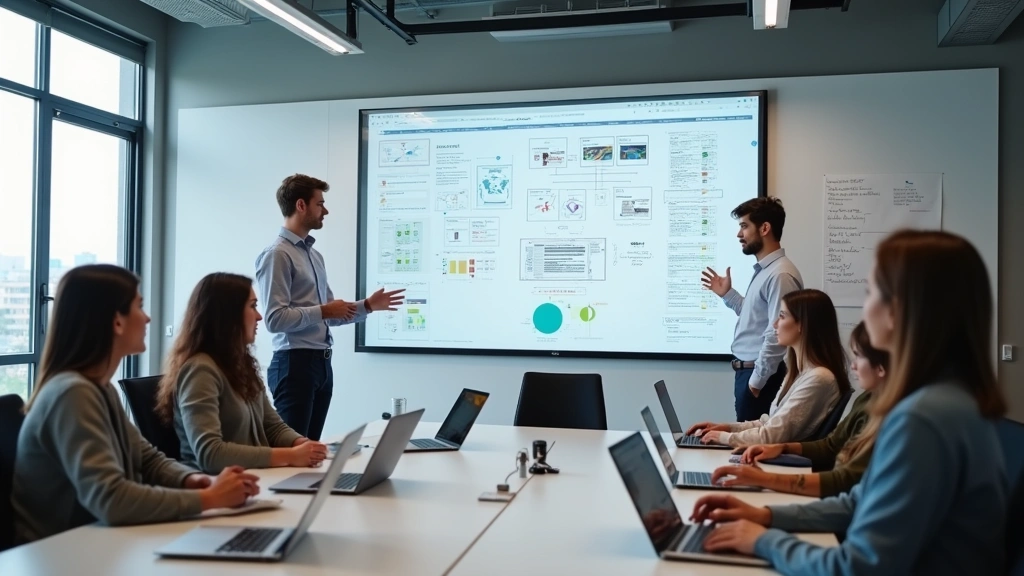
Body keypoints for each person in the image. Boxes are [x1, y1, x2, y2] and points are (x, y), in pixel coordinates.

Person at [690, 230, 1008, 575]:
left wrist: (763, 540)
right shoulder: (948, 400)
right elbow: (857, 504)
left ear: (900, 310)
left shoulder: (923, 418)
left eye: (870, 293)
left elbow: (856, 568)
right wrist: (764, 515)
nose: (864, 309)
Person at [11, 265, 259, 544]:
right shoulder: (72, 393)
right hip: (63, 552)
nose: (148, 317)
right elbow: (111, 499)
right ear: (117, 321)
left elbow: (148, 459)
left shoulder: (100, 389)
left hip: (99, 542)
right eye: (139, 306)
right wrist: (208, 498)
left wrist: (196, 481)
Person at [255, 174, 405, 440]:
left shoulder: (314, 256)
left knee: (310, 449)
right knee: (293, 451)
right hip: (294, 364)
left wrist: (367, 306)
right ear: (301, 205)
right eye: (320, 204)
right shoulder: (277, 255)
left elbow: (331, 316)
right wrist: (324, 311)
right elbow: (274, 319)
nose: (325, 211)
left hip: (322, 365)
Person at [156, 272, 329, 475]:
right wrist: (291, 456)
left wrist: (304, 445)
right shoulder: (200, 370)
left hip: (254, 478)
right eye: (253, 306)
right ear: (228, 314)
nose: (259, 316)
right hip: (216, 485)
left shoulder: (241, 364)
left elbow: (272, 426)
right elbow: (210, 454)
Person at [709, 321, 888, 497]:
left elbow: (843, 481)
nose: (853, 365)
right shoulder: (866, 398)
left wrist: (764, 478)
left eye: (859, 356)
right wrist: (782, 448)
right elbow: (829, 446)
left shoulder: (822, 379)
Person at [687, 289, 850, 448]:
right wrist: (727, 428)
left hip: (783, 461)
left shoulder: (819, 378)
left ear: (802, 324)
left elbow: (771, 436)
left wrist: (723, 437)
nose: (775, 324)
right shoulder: (799, 373)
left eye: (782, 316)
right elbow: (769, 422)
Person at [702, 197, 803, 421]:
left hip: (761, 378)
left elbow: (776, 334)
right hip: (751, 375)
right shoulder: (767, 271)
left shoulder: (780, 275)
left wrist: (756, 383)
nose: (739, 234)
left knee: (749, 443)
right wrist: (728, 294)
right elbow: (756, 317)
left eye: (744, 226)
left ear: (765, 228)